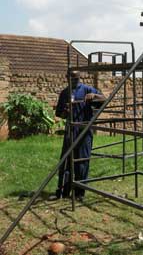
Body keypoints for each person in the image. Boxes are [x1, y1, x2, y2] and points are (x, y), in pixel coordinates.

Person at [54, 71, 106, 201]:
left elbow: (105, 99)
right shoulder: (65, 93)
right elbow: (59, 113)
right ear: (67, 78)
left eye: (76, 78)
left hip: (84, 129)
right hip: (70, 130)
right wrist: (65, 112)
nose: (74, 80)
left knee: (82, 161)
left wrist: (94, 96)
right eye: (71, 78)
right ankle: (64, 192)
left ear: (79, 78)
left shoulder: (87, 89)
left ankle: (79, 193)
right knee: (66, 161)